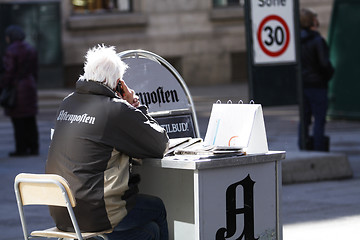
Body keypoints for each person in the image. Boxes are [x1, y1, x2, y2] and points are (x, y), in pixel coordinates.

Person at [45, 45, 170, 240]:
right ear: (119, 83)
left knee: (150, 232)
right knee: (158, 208)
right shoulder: (115, 109)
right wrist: (136, 107)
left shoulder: (68, 103)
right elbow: (159, 144)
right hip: (96, 214)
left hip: (63, 213)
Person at [298, 8, 334, 151]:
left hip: (303, 85)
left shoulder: (295, 41)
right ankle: (319, 148)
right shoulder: (317, 40)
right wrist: (329, 74)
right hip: (317, 85)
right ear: (312, 21)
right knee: (319, 120)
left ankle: (303, 146)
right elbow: (325, 64)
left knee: (304, 120)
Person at [1, 25, 39, 157]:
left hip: (17, 89)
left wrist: (3, 85)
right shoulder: (30, 48)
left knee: (18, 121)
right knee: (30, 119)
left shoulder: (11, 50)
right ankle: (34, 147)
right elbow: (35, 70)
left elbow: (9, 72)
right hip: (29, 85)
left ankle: (21, 148)